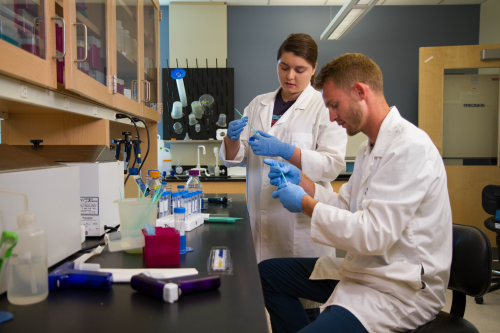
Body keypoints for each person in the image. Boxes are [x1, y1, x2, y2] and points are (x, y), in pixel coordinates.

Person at [259, 53, 452, 333]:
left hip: (399, 287)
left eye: (334, 105)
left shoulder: (410, 147)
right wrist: (303, 183)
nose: (332, 116)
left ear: (360, 91)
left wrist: (306, 204)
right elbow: (345, 204)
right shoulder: (368, 148)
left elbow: (373, 234)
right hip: (365, 269)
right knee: (269, 274)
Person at [220, 34, 347, 320]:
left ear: (314, 68)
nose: (290, 76)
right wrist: (231, 137)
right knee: (266, 303)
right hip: (261, 225)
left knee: (304, 310)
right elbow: (234, 156)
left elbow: (331, 164)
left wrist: (286, 150)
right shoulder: (258, 104)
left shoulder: (323, 107)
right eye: (284, 66)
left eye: (299, 69)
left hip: (299, 225)